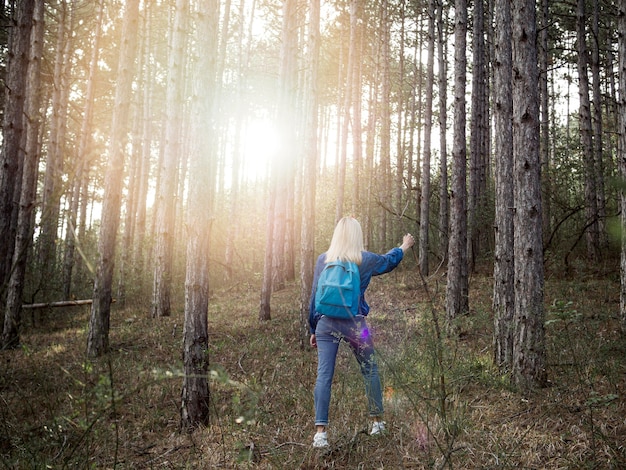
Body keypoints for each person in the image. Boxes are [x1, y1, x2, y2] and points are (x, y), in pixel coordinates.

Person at [308, 216, 415, 448]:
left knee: (324, 375)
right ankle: (377, 423)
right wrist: (404, 246)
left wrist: (313, 327)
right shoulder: (363, 259)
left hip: (325, 323)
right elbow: (388, 261)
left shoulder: (323, 260)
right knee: (370, 369)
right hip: (356, 324)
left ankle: (320, 434)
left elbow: (314, 296)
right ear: (358, 235)